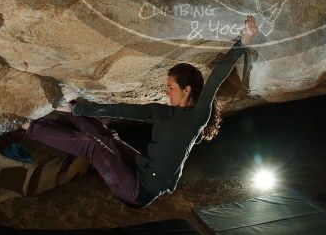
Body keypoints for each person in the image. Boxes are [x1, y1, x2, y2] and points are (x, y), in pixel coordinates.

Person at [21, 15, 258, 207]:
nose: (167, 93)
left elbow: (216, 79)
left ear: (186, 90)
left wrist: (242, 43)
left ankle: (29, 126)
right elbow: (125, 110)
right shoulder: (163, 113)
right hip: (141, 166)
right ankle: (66, 110)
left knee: (92, 145)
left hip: (139, 190)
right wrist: (78, 108)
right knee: (108, 136)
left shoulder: (197, 118)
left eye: (170, 88)